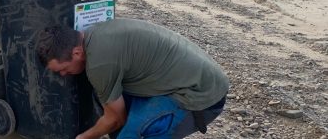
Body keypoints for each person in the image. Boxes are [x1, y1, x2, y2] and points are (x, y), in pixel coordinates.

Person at [35, 18, 229, 139]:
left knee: (137, 129)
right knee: (104, 98)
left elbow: (116, 119)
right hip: (186, 77)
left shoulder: (99, 64)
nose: (62, 74)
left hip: (202, 94)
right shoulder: (94, 35)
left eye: (62, 69)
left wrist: (83, 137)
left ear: (76, 53)